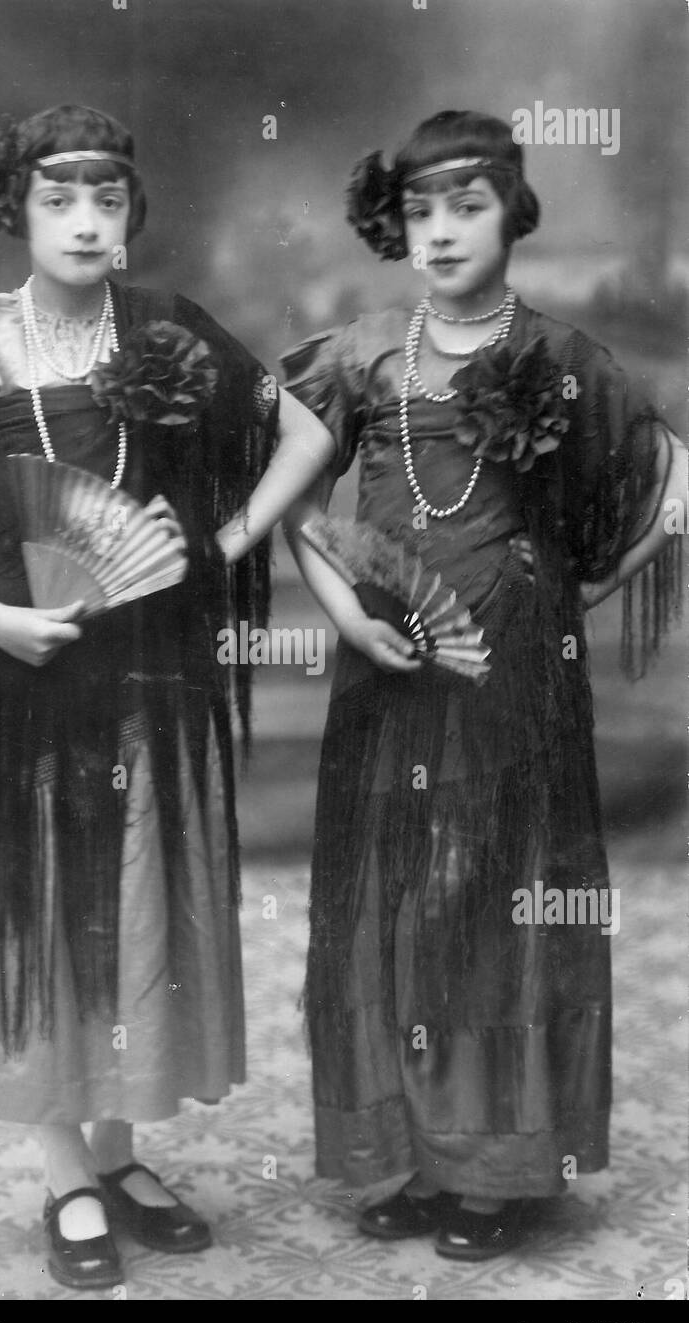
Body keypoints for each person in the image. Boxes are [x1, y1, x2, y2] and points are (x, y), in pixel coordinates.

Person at [0, 103, 333, 1289]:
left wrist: (230, 538)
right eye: (59, 201)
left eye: (107, 201)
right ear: (17, 213)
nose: (86, 223)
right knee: (51, 908)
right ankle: (63, 1172)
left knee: (141, 896)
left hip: (153, 667)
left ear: (131, 220)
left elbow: (300, 431)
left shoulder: (168, 330)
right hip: (34, 670)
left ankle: (119, 1147)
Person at [282, 110, 685, 1261]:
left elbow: (660, 486)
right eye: (419, 211)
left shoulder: (561, 360)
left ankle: (499, 1166)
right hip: (389, 674)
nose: (442, 232)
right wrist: (346, 611)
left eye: (467, 205)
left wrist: (577, 588)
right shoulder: (361, 350)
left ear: (514, 212)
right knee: (397, 897)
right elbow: (292, 503)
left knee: (492, 900)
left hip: (513, 680)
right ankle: (415, 1152)